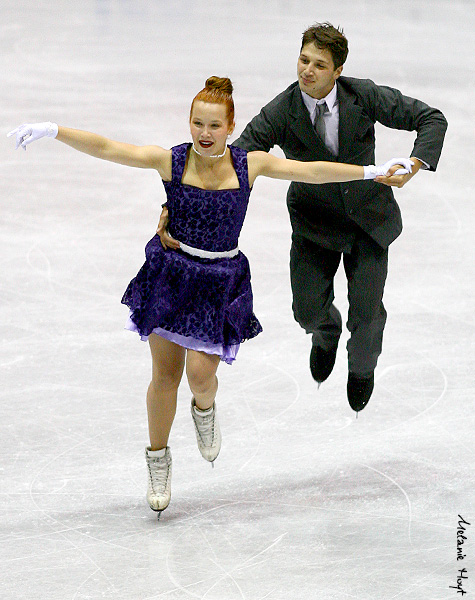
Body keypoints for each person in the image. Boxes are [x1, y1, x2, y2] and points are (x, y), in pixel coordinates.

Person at [8, 76, 412, 517]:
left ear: (229, 126)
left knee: (200, 377)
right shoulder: (172, 162)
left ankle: (205, 410)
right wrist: (54, 130)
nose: (204, 132)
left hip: (220, 280)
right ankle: (158, 461)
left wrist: (372, 172)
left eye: (214, 125)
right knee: (165, 374)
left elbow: (310, 170)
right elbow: (110, 148)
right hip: (172, 275)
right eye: (197, 123)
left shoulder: (249, 165)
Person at [228, 23, 447, 412]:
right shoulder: (281, 110)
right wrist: (186, 196)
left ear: (337, 71)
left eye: (319, 64)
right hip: (315, 225)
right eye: (303, 60)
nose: (306, 71)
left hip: (368, 222)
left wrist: (414, 164)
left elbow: (431, 118)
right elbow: (238, 159)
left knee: (366, 317)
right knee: (306, 310)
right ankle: (325, 333)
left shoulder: (362, 95)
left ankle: (362, 368)